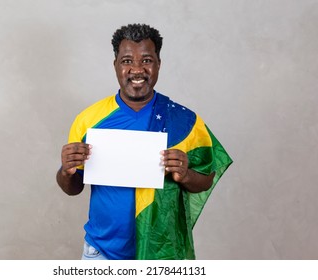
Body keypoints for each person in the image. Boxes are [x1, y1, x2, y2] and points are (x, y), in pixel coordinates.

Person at [56, 23, 232, 260]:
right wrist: (66, 170)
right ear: (116, 65)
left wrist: (186, 174)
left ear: (158, 64)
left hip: (161, 251)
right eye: (127, 61)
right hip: (101, 252)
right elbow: (73, 188)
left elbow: (206, 179)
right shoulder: (89, 119)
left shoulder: (185, 121)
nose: (137, 69)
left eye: (147, 60)